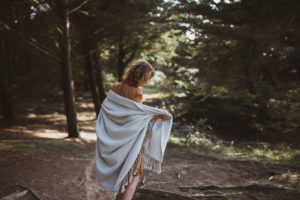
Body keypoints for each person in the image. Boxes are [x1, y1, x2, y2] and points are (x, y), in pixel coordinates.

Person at [111, 59, 171, 200]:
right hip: (131, 140)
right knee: (134, 174)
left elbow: (111, 112)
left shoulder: (115, 87)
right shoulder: (137, 93)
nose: (147, 82)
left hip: (116, 138)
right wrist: (159, 116)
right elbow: (136, 119)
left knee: (123, 172)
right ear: (142, 76)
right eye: (147, 78)